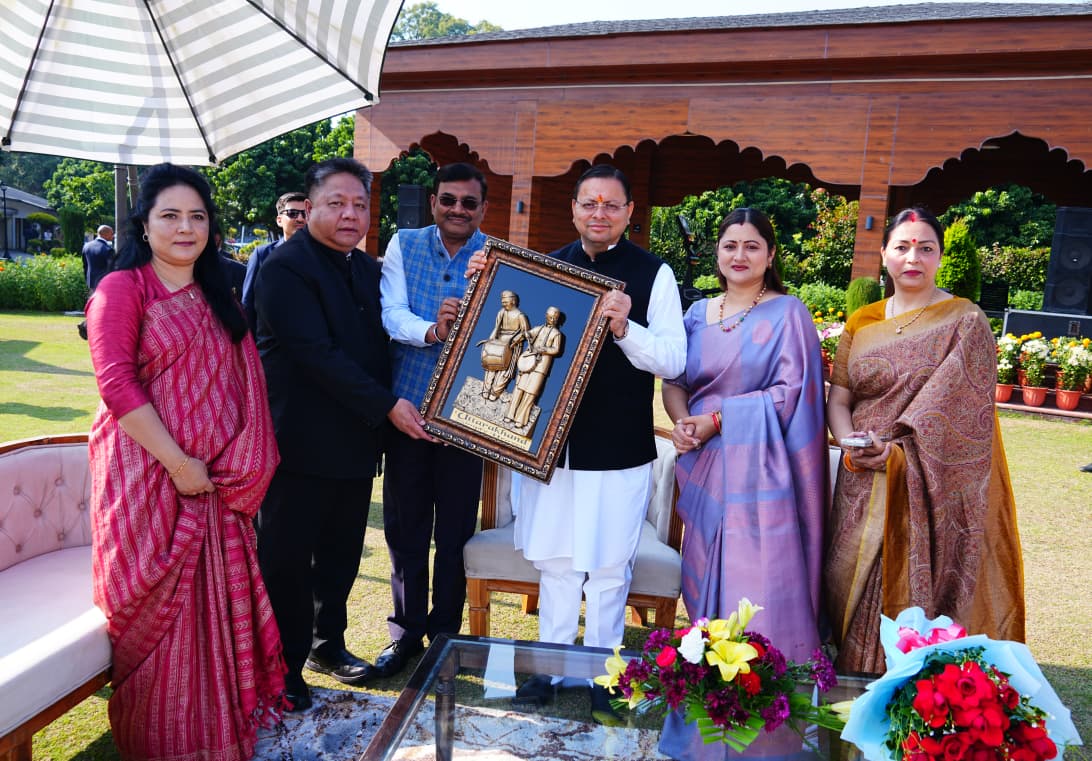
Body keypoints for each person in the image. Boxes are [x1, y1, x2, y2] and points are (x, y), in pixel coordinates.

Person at [85, 164, 284, 760]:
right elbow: (117, 385)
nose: (185, 228)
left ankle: (217, 737)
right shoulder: (123, 290)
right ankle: (161, 743)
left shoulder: (220, 298)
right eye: (170, 215)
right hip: (145, 479)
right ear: (144, 225)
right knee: (153, 614)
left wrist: (223, 465)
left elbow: (245, 388)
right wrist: (179, 465)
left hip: (214, 486)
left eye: (197, 216)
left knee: (210, 617)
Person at [501, 164, 686, 721]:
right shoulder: (548, 269)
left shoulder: (653, 274)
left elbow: (673, 360)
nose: (599, 213)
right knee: (557, 562)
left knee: (608, 567)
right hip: (551, 445)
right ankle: (551, 667)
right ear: (574, 210)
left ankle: (606, 671)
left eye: (610, 204)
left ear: (629, 212)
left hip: (619, 445)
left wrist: (627, 328)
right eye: (589, 203)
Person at [254, 158, 430, 711]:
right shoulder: (285, 268)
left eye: (359, 204)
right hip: (297, 446)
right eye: (337, 203)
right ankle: (281, 667)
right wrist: (389, 406)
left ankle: (325, 645)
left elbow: (390, 336)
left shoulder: (367, 269)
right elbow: (317, 355)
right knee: (286, 561)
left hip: (355, 445)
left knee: (341, 556)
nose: (350, 214)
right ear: (310, 207)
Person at [658, 208, 828, 760]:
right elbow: (675, 380)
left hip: (762, 476)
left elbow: (792, 393)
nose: (739, 255)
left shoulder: (788, 313)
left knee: (759, 591)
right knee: (705, 595)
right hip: (705, 471)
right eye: (730, 245)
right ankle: (708, 710)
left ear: (770, 255)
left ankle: (768, 730)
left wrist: (718, 419)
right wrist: (685, 423)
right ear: (717, 252)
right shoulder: (696, 313)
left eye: (752, 246)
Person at [824, 207, 1025, 674]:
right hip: (860, 477)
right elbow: (840, 397)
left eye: (925, 248)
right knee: (844, 586)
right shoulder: (861, 321)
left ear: (939, 257)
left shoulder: (965, 321)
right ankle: (851, 685)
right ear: (884, 254)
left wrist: (896, 453)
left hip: (925, 482)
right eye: (902, 247)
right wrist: (850, 444)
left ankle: (900, 691)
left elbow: (963, 414)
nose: (912, 258)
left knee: (910, 593)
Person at [376, 162, 490, 678]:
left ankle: (445, 635)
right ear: (433, 203)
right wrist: (433, 330)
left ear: (482, 209)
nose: (457, 210)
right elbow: (391, 313)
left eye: (468, 203)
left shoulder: (497, 257)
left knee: (456, 531)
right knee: (405, 529)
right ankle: (404, 633)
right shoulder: (404, 244)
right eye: (448, 200)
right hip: (408, 412)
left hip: (468, 417)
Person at [242, 191, 307, 331]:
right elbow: (248, 303)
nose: (300, 219)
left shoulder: (322, 256)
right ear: (279, 220)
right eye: (293, 213)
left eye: (305, 213)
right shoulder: (262, 255)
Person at [505, 306, 564, 427]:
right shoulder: (538, 328)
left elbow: (556, 349)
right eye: (550, 317)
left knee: (531, 392)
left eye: (555, 318)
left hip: (541, 367)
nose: (552, 320)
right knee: (519, 388)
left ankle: (521, 419)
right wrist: (522, 336)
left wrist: (543, 349)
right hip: (527, 361)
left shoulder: (556, 333)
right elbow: (527, 334)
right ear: (546, 316)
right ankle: (509, 414)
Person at [480, 289, 530, 400]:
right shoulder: (501, 312)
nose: (503, 304)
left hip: (512, 345)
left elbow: (526, 333)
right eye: (502, 302)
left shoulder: (520, 316)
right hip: (498, 342)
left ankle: (495, 392)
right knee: (491, 365)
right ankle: (486, 389)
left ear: (513, 301)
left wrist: (514, 341)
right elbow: (496, 327)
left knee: (505, 370)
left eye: (506, 302)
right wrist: (490, 340)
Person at [81, 224, 114, 291]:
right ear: (106, 234)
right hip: (105, 284)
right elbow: (112, 269)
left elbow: (85, 266)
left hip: (91, 283)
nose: (113, 236)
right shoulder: (108, 249)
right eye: (112, 234)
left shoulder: (87, 246)